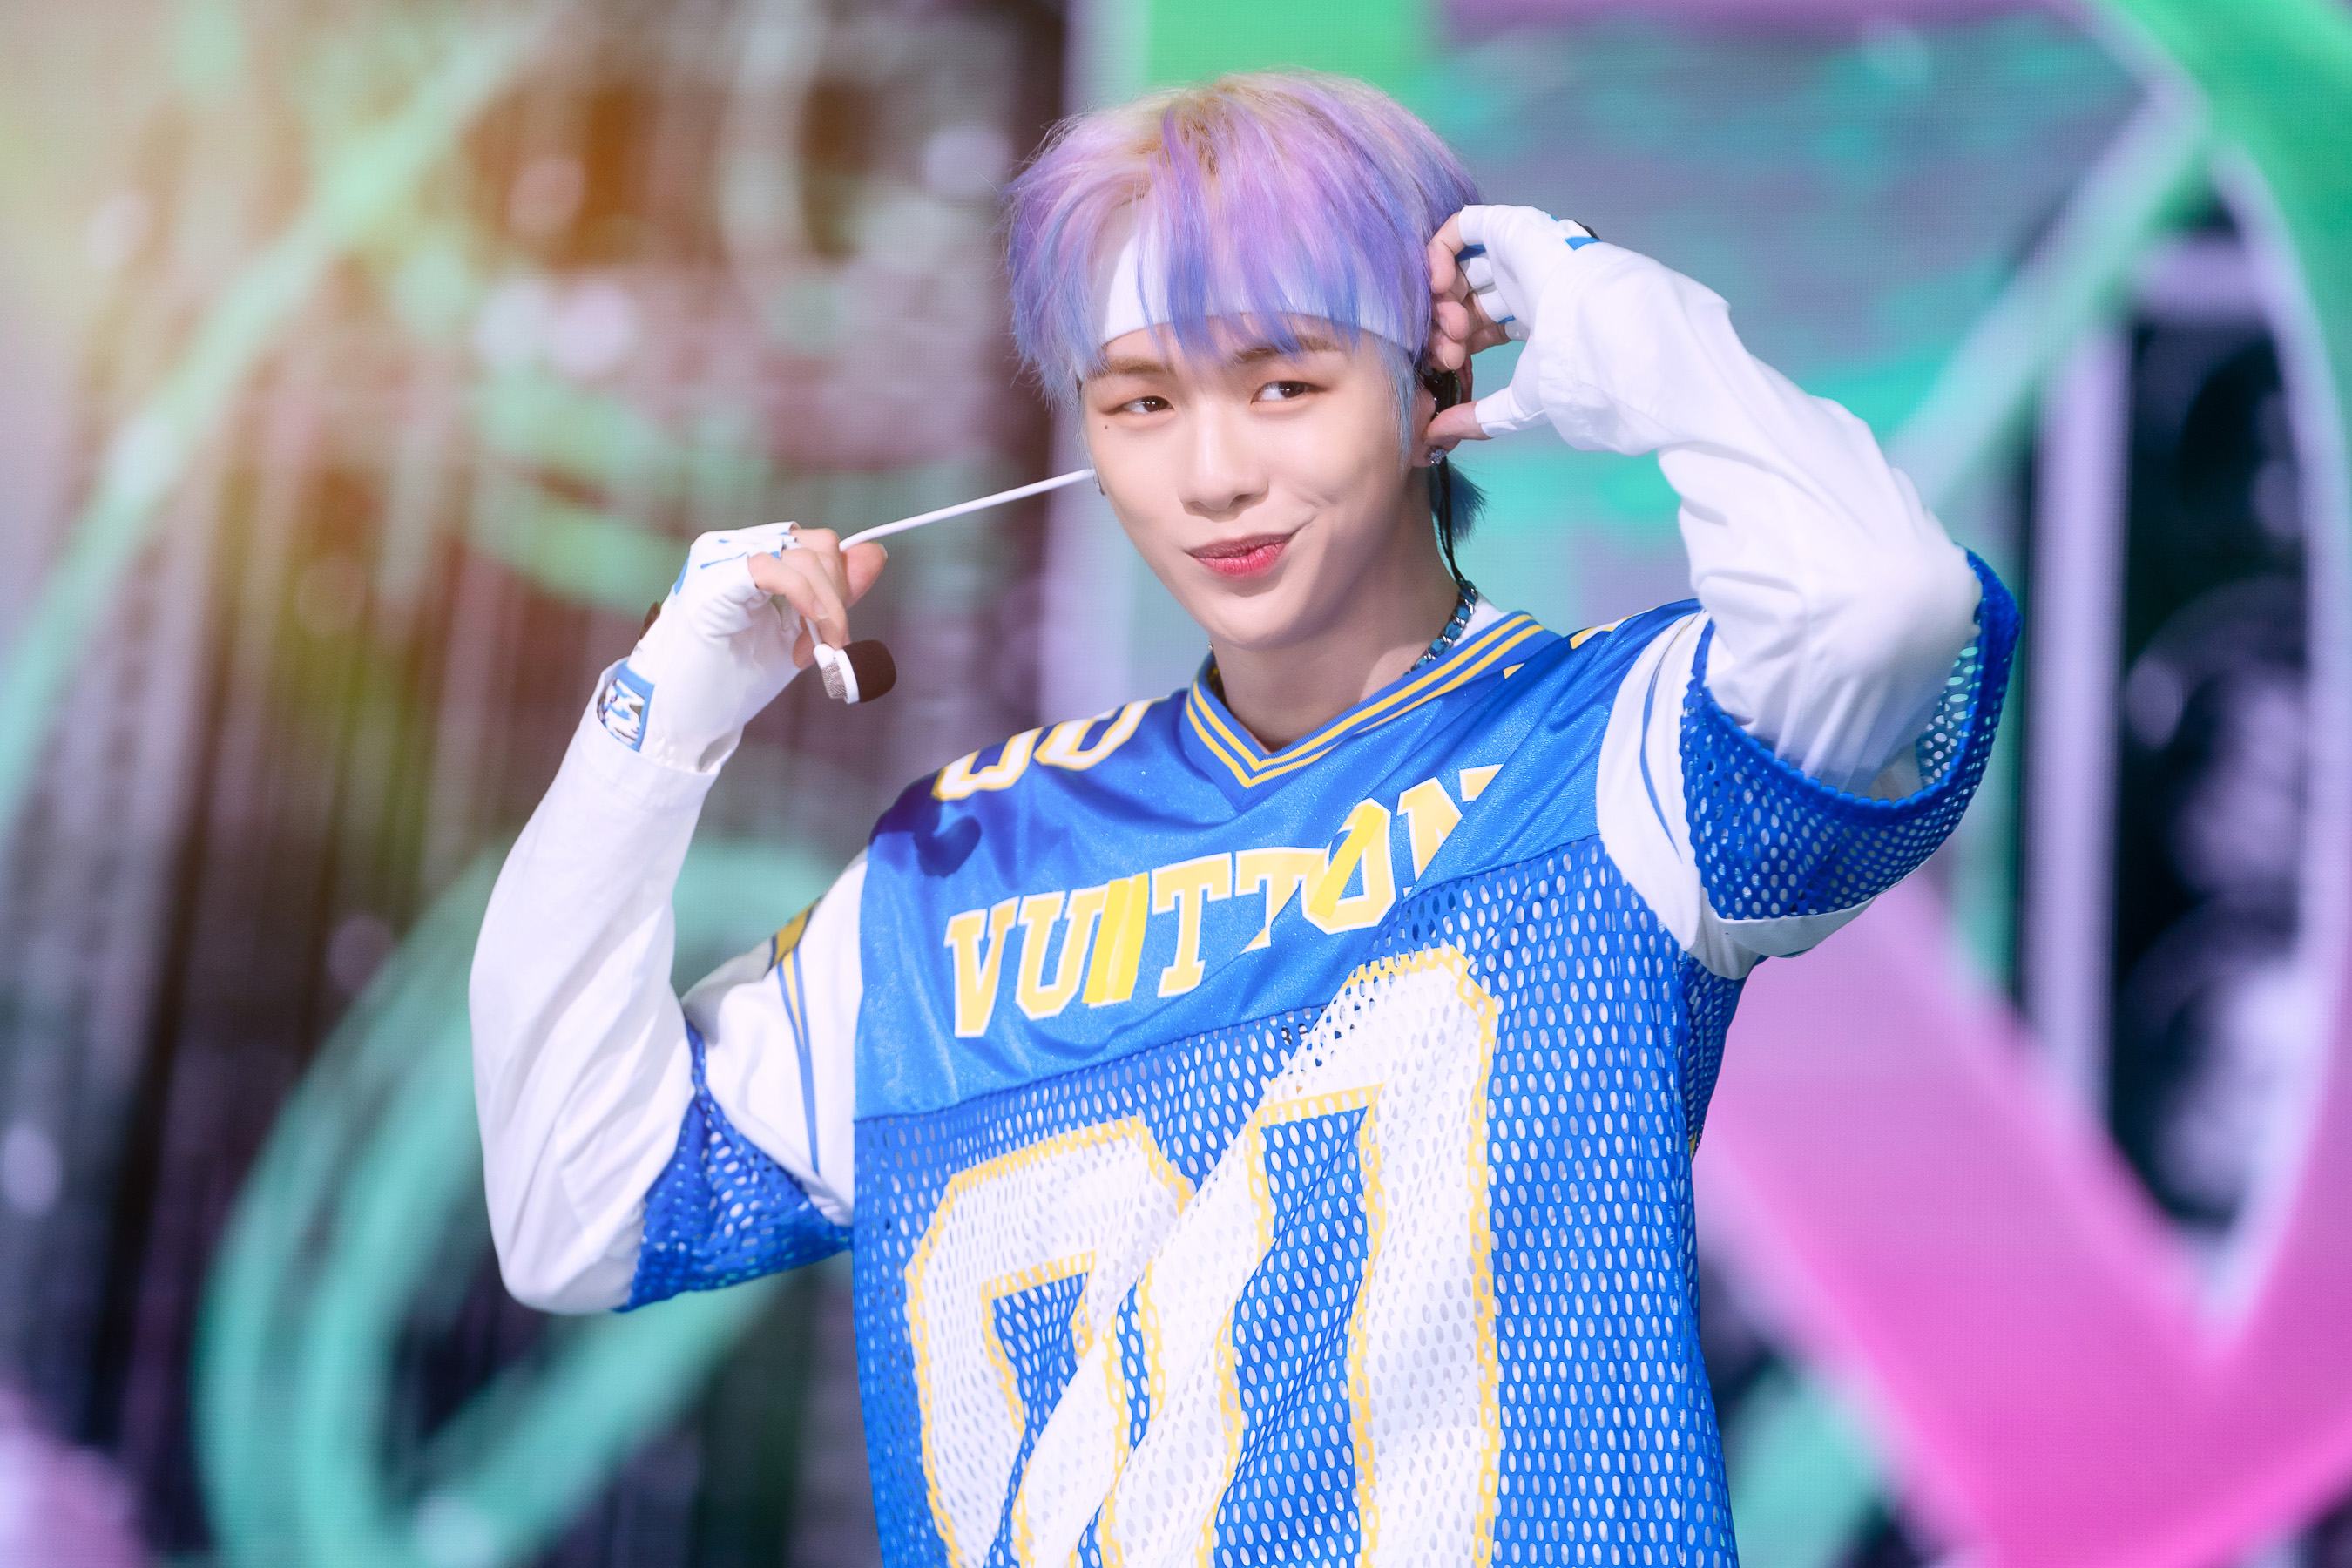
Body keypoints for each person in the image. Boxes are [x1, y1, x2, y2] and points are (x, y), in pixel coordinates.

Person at [471, 71, 2011, 1565]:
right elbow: (577, 1213)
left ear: (1432, 383)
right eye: (1142, 400)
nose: (1213, 474)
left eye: (1286, 384)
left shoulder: (1614, 756)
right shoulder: (956, 865)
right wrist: (654, 718)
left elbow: (1883, 609)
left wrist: (1631, 329)